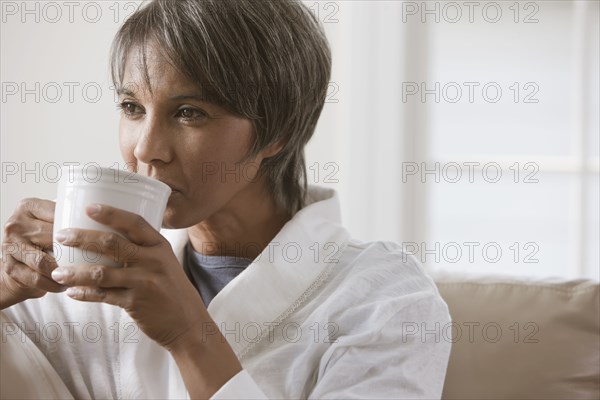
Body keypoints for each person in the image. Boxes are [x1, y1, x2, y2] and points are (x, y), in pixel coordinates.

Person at [0, 0, 451, 398]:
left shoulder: (387, 301)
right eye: (132, 108)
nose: (144, 149)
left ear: (279, 129)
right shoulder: (75, 285)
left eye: (189, 113)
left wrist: (188, 336)